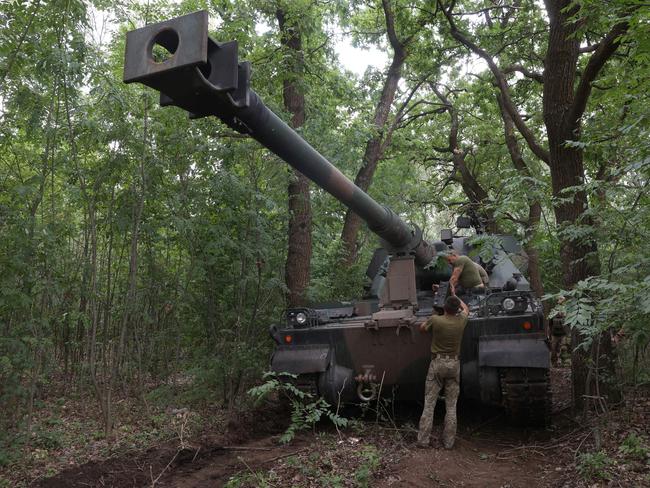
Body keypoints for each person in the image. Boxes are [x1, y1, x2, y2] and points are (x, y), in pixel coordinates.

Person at [417, 295, 469, 449]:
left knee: (429, 404)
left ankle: (423, 440)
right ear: (456, 308)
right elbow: (466, 309)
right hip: (454, 364)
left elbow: (422, 329)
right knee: (451, 406)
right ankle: (448, 442)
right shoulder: (461, 320)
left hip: (437, 364)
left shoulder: (436, 320)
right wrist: (456, 295)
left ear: (445, 308)